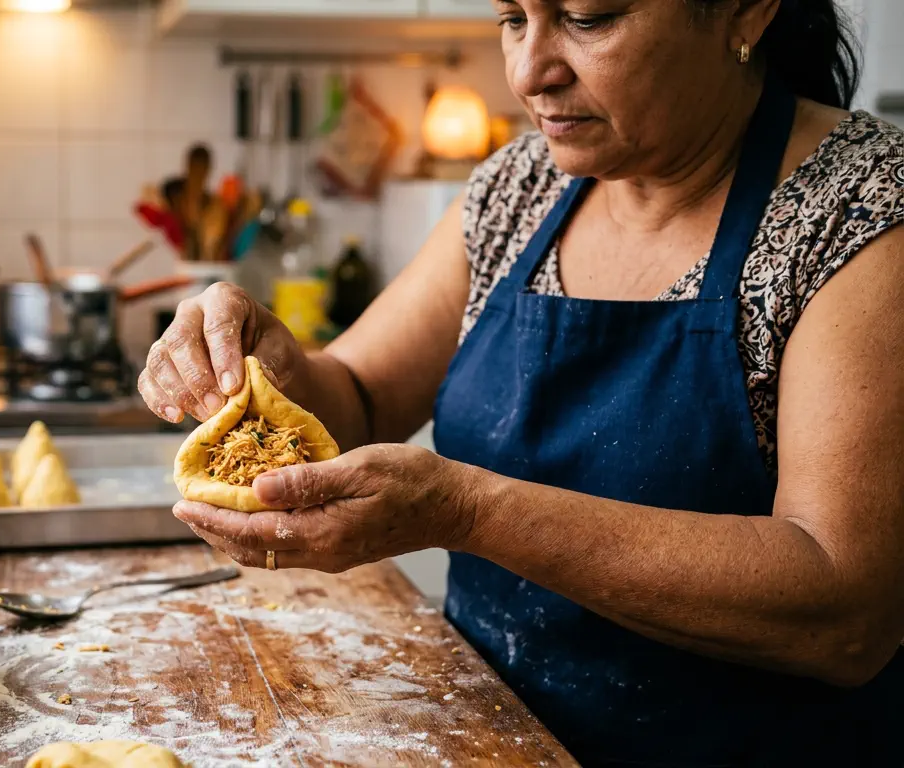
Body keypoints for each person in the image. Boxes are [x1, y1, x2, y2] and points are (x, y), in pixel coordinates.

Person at [137, 0, 904, 764]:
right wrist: (272, 367)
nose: (529, 73)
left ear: (745, 12)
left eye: (589, 18)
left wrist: (468, 511)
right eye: (512, 18)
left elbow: (845, 615)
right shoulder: (518, 187)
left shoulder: (862, 207)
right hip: (489, 742)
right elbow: (362, 398)